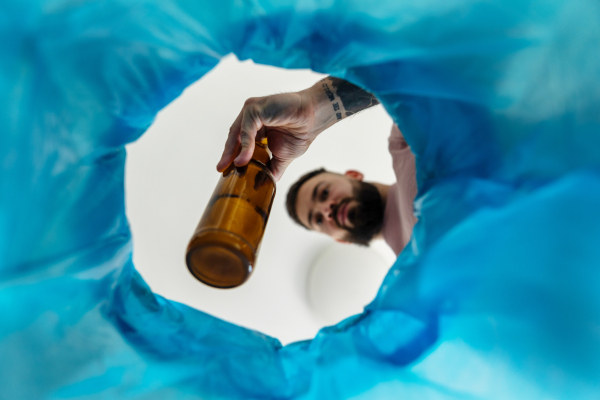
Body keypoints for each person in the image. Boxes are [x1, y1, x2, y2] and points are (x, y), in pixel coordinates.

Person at [217, 77, 418, 256]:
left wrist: (314, 107)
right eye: (319, 221)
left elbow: (410, 68)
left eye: (324, 193)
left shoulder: (405, 144)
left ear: (353, 175)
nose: (325, 210)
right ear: (341, 240)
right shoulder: (413, 274)